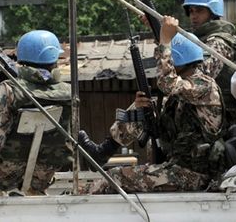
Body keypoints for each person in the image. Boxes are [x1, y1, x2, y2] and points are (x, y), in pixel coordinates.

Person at [80, 16, 226, 194]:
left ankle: (78, 195)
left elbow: (166, 82)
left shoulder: (204, 85)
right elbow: (162, 131)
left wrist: (165, 41)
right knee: (141, 109)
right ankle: (105, 150)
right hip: (179, 169)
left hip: (194, 175)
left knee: (115, 177)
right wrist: (142, 109)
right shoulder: (181, 95)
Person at [0, 30, 73, 210]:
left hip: (5, 174)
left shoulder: (10, 90)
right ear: (54, 60)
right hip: (42, 175)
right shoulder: (67, 92)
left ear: (21, 58)